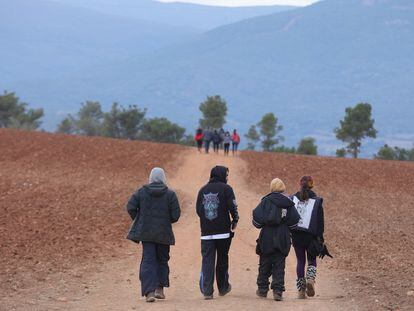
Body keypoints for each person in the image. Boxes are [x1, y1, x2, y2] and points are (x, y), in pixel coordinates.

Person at [126, 168, 181, 303]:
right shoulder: (170, 194)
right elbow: (176, 215)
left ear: (150, 178)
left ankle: (149, 292)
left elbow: (130, 207)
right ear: (163, 178)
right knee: (162, 260)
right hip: (163, 233)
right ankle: (160, 289)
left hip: (146, 234)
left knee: (148, 261)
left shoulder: (141, 192)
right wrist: (166, 220)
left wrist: (140, 219)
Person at [252, 178, 300, 301]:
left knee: (264, 263)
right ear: (282, 188)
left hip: (267, 235)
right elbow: (294, 222)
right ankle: (278, 291)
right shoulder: (288, 202)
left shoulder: (265, 201)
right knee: (279, 265)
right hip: (282, 236)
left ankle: (262, 290)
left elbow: (257, 221)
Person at [196, 166, 239, 300]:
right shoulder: (227, 189)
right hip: (223, 232)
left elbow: (198, 210)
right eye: (226, 175)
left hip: (206, 232)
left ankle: (207, 291)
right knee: (222, 259)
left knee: (207, 260)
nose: (227, 178)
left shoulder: (202, 190)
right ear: (221, 175)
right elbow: (233, 206)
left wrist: (206, 221)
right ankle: (223, 287)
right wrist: (235, 219)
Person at [291, 176, 325, 299]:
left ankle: (301, 290)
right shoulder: (317, 201)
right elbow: (320, 222)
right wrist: (320, 238)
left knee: (300, 261)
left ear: (300, 184)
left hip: (296, 235)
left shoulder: (293, 199)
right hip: (311, 236)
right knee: (312, 260)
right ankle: (310, 279)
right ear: (312, 185)